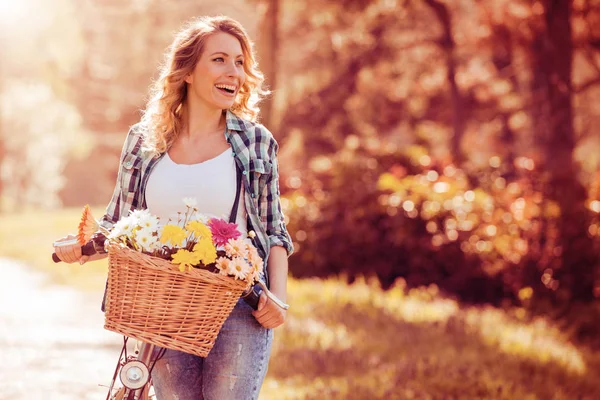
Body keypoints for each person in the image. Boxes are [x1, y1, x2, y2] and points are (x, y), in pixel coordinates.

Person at [53, 15, 294, 400]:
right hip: (164, 305)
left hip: (238, 306)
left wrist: (277, 298)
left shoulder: (254, 142)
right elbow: (118, 227)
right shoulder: (143, 140)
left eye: (239, 62)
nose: (234, 71)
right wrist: (78, 248)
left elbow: (274, 231)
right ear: (187, 71)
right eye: (219, 59)